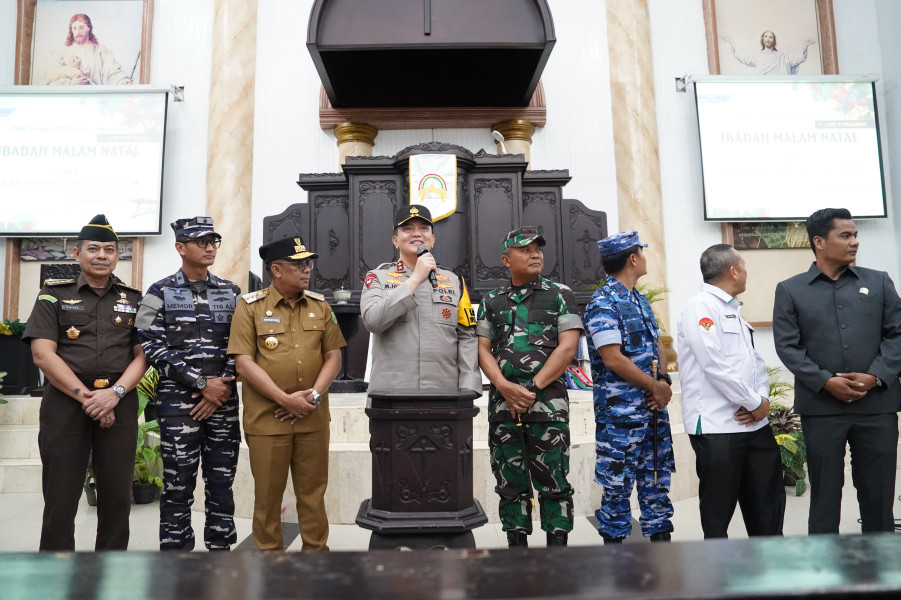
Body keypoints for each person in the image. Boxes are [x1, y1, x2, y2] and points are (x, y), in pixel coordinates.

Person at [773, 208, 901, 534]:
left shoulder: (879, 281)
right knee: (825, 498)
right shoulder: (791, 290)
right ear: (819, 241)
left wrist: (875, 377)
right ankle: (824, 575)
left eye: (855, 235)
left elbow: (897, 335)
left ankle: (881, 572)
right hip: (821, 409)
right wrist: (825, 381)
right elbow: (788, 347)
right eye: (845, 235)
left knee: (878, 496)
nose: (854, 242)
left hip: (877, 407)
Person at [23, 214, 145, 550]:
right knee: (60, 500)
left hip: (119, 402)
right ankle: (56, 575)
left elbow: (143, 356)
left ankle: (111, 573)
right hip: (66, 403)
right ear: (77, 254)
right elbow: (43, 355)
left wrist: (115, 394)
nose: (102, 255)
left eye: (110, 249)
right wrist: (88, 398)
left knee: (117, 500)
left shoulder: (135, 300)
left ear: (117, 255)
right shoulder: (52, 295)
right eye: (93, 248)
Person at [227, 236, 345, 551]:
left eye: (307, 263)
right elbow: (244, 362)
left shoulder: (320, 306)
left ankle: (316, 557)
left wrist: (314, 396)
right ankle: (269, 562)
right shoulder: (249, 307)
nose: (306, 269)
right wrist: (285, 400)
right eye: (298, 264)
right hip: (268, 420)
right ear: (276, 270)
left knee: (313, 494)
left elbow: (333, 356)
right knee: (268, 496)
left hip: (313, 417)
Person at [135, 217, 241, 551]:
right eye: (201, 242)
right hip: (177, 405)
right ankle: (176, 553)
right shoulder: (158, 291)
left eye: (213, 241)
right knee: (178, 483)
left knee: (222, 482)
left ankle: (221, 551)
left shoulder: (232, 291)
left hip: (223, 403)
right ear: (180, 247)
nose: (210, 247)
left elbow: (244, 345)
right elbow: (148, 343)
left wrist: (220, 386)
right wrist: (199, 382)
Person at [476, 226, 583, 548]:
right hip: (504, 407)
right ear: (506, 259)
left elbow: (567, 348)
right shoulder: (491, 301)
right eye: (525, 249)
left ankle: (557, 550)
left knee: (554, 482)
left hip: (547, 406)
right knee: (510, 483)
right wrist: (503, 385)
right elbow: (482, 348)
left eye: (538, 248)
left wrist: (531, 388)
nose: (535, 253)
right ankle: (516, 550)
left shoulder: (561, 294)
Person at [677, 244, 785, 539]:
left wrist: (760, 402)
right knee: (718, 511)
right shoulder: (701, 307)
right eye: (745, 265)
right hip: (717, 426)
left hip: (755, 425)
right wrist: (752, 401)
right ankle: (717, 574)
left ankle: (771, 569)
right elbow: (713, 364)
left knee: (768, 504)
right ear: (733, 270)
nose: (747, 272)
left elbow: (754, 363)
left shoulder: (733, 311)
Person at [583, 231, 675, 544]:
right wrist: (655, 386)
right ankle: (617, 573)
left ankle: (661, 565)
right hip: (620, 422)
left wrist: (662, 382)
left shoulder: (640, 300)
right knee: (616, 494)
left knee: (657, 488)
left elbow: (657, 344)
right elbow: (613, 359)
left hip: (652, 415)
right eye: (642, 253)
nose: (645, 258)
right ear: (633, 258)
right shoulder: (603, 303)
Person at [360, 204, 480, 394]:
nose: (417, 234)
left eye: (423, 228)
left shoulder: (454, 280)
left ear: (432, 240)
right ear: (395, 240)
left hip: (445, 391)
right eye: (407, 229)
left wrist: (468, 385)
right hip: (392, 394)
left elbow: (467, 336)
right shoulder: (377, 278)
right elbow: (373, 321)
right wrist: (415, 279)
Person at [35, 13, 134, 86]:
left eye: (82, 27)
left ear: (89, 28)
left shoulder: (101, 51)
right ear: (71, 31)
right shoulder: (61, 51)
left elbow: (113, 72)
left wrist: (123, 81)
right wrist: (70, 84)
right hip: (68, 100)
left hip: (95, 99)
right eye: (74, 28)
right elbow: (47, 78)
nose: (78, 31)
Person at [721, 30, 816, 75]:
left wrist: (805, 46)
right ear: (762, 40)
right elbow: (743, 58)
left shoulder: (782, 56)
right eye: (765, 36)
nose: (768, 39)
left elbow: (797, 59)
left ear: (774, 41)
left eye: (770, 37)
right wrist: (732, 43)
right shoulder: (757, 56)